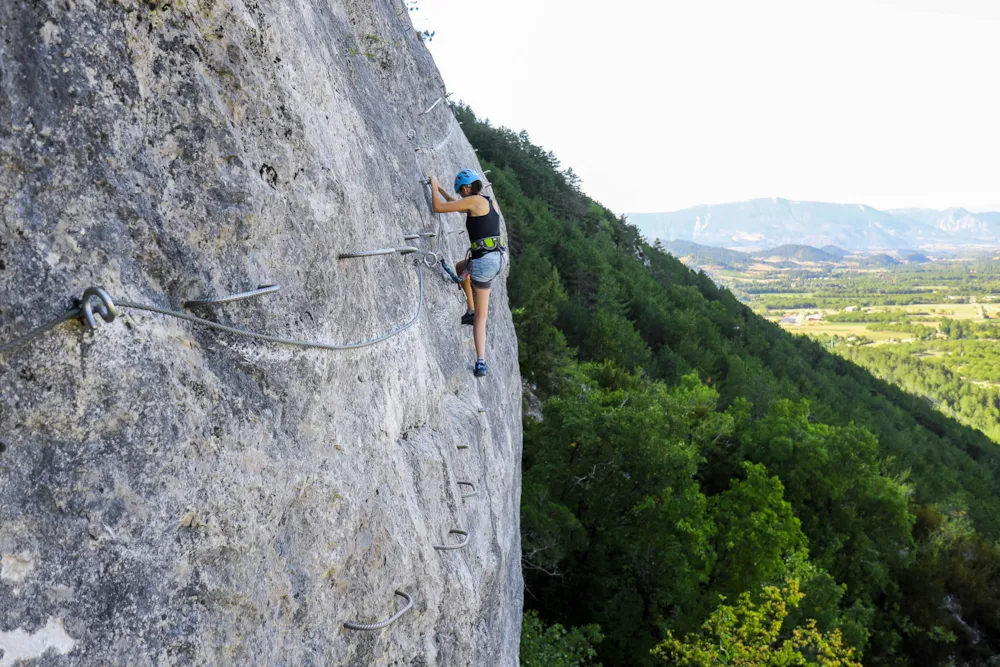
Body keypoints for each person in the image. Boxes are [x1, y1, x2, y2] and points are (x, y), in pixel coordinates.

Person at [428, 169, 508, 377]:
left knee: (482, 317)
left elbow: (438, 208)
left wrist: (434, 184)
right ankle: (470, 310)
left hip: (485, 261)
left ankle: (481, 362)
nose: (462, 196)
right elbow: (457, 205)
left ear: (466, 188)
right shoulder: (487, 202)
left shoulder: (472, 201)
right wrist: (442, 190)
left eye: (461, 192)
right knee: (461, 268)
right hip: (499, 258)